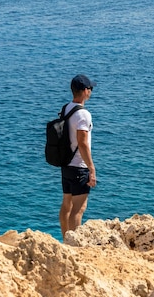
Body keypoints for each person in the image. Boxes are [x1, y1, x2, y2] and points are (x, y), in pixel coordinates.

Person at [59, 74, 97, 239]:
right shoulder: (83, 114)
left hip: (66, 164)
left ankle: (65, 240)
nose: (91, 91)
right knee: (78, 209)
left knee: (66, 205)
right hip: (79, 167)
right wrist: (91, 168)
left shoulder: (66, 108)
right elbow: (83, 143)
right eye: (90, 88)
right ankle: (73, 244)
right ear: (84, 91)